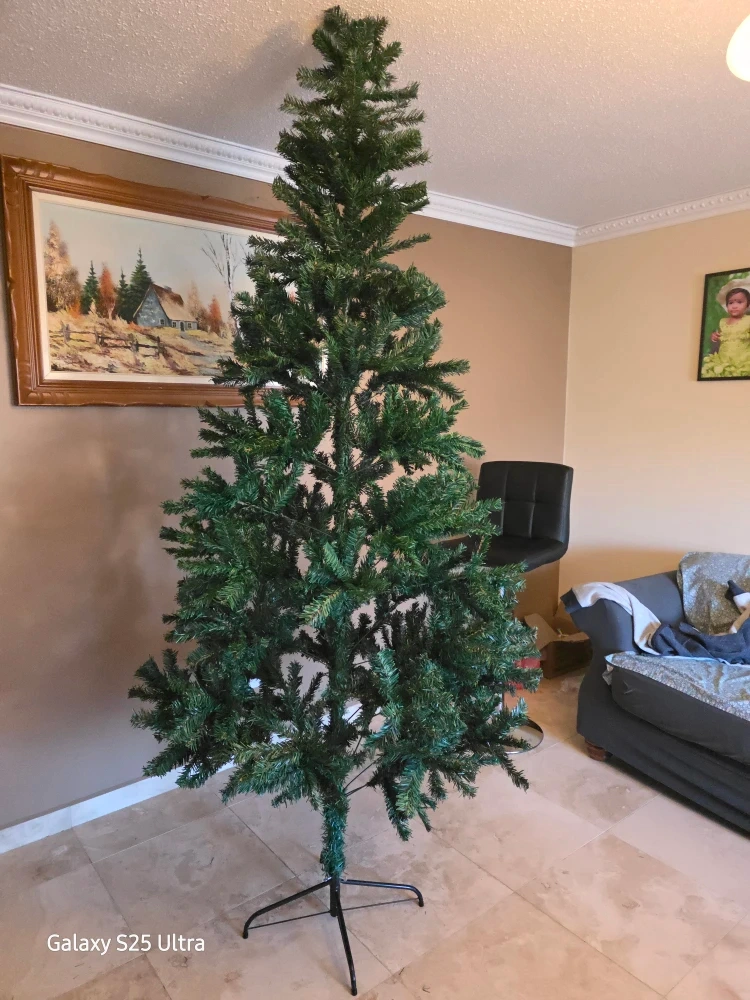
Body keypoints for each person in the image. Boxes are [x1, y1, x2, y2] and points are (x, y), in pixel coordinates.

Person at [703, 285, 750, 377]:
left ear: (748, 305)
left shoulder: (748, 320)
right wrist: (714, 337)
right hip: (724, 360)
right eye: (730, 303)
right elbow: (720, 337)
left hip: (743, 359)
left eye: (739, 302)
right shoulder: (723, 321)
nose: (734, 306)